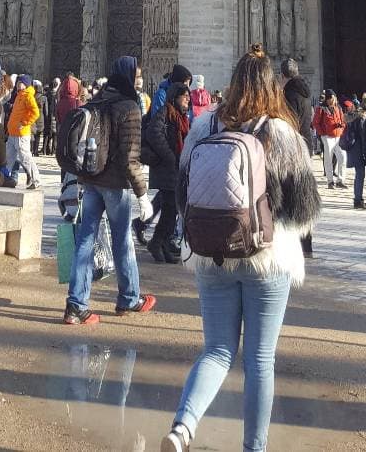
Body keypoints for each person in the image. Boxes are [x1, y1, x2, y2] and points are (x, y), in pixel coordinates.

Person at [161, 45, 320, 452]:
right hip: (267, 258)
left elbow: (183, 196)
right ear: (273, 87)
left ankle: (182, 428)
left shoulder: (203, 126)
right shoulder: (282, 133)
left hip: (213, 255)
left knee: (215, 350)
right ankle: (254, 448)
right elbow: (304, 210)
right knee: (259, 360)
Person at [62, 55, 156, 326]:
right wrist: (142, 194)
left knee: (84, 241)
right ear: (129, 77)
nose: (139, 80)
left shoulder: (97, 101)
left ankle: (76, 305)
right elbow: (130, 158)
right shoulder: (130, 107)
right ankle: (129, 297)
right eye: (137, 75)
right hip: (116, 186)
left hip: (92, 181)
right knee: (122, 240)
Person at [143, 80, 190, 264]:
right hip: (165, 169)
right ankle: (156, 242)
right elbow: (154, 133)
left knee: (172, 210)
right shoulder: (166, 111)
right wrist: (170, 156)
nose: (187, 100)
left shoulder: (180, 115)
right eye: (184, 96)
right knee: (170, 210)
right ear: (175, 97)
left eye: (188, 97)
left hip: (174, 170)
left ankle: (161, 244)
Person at [5, 75, 41, 188]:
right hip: (13, 131)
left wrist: (24, 122)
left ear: (25, 84)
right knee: (8, 157)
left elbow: (35, 112)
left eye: (20, 83)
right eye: (17, 82)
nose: (17, 84)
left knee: (25, 158)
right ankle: (4, 177)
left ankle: (35, 180)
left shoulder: (28, 96)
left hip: (21, 133)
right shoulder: (19, 95)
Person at [312, 90, 347, 189]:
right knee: (328, 158)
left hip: (338, 135)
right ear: (327, 100)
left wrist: (342, 126)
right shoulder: (321, 109)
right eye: (330, 99)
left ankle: (340, 180)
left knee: (342, 157)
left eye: (334, 99)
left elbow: (343, 120)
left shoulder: (338, 108)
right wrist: (323, 133)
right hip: (327, 137)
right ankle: (330, 181)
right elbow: (315, 123)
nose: (332, 101)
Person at [279, 58, 313, 149]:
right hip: (306, 142)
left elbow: (288, 122)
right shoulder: (305, 93)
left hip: (294, 145)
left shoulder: (289, 95)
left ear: (282, 76)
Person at [340, 103, 366, 209]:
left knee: (358, 175)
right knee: (360, 176)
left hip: (353, 150)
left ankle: (358, 199)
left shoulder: (351, 120)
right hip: (359, 150)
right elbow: (362, 136)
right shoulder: (360, 121)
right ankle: (358, 200)